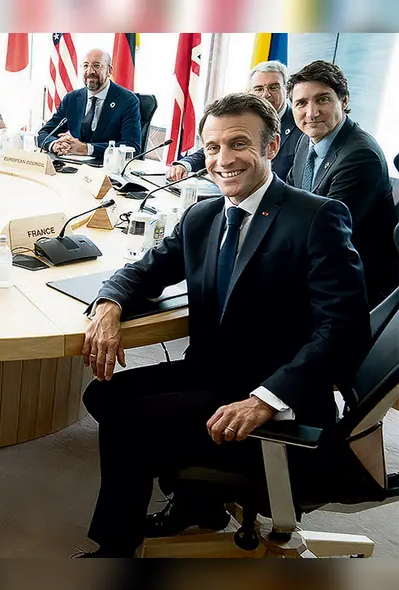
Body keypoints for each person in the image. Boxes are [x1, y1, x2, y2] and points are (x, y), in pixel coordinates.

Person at [79, 93, 370, 557]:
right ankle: (197, 502)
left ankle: (118, 547)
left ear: (272, 147)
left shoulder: (316, 217)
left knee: (128, 428)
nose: (223, 159)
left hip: (275, 396)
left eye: (239, 144)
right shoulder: (203, 215)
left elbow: (344, 330)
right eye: (212, 147)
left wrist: (264, 399)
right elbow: (145, 269)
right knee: (101, 395)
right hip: (213, 375)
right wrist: (110, 303)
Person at [285, 60, 399, 307]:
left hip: (352, 284)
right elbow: (288, 197)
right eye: (301, 103)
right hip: (315, 264)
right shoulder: (307, 140)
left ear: (344, 101)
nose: (311, 113)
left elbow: (322, 232)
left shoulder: (361, 155)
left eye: (322, 100)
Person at [167, 60, 303, 182]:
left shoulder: (302, 124)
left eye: (274, 87)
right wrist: (185, 164)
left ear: (286, 90)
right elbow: (218, 146)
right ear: (250, 92)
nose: (266, 94)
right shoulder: (245, 118)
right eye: (259, 89)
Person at [37, 48, 141, 158]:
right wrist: (55, 145)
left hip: (108, 168)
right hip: (74, 166)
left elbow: (132, 147)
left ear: (109, 71)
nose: (90, 71)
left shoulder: (127, 100)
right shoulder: (72, 99)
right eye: (86, 66)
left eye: (96, 65)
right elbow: (44, 133)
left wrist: (87, 149)